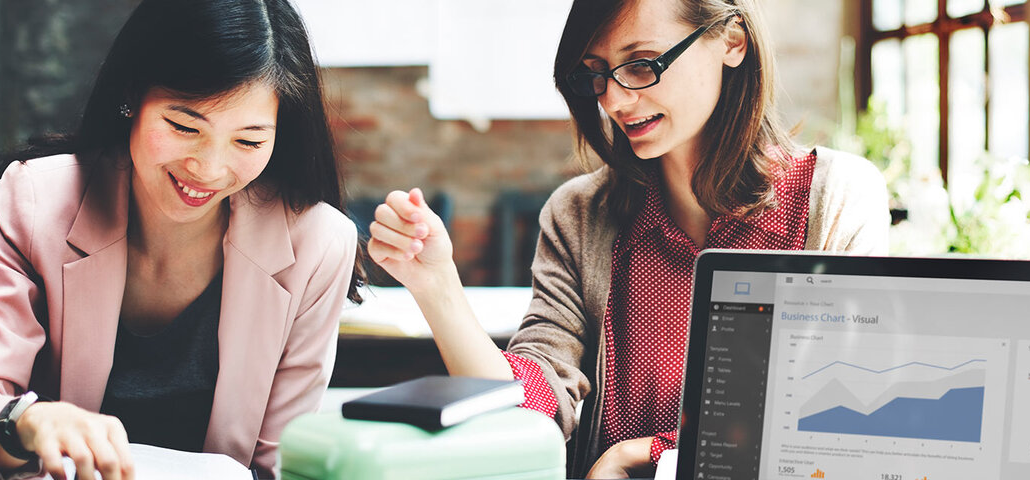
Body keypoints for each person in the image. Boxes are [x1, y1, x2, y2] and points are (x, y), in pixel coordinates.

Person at [367, 0, 889, 477]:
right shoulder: (578, 215)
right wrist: (436, 287)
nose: (615, 99)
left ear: (732, 40)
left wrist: (647, 456)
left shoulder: (836, 200)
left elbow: (833, 424)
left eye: (642, 64)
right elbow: (532, 403)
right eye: (597, 73)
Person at [0, 0, 361, 478]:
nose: (209, 169)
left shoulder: (318, 243)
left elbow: (282, 464)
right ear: (132, 95)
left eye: (249, 141)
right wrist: (25, 423)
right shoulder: (34, 201)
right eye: (184, 126)